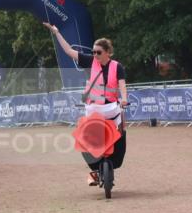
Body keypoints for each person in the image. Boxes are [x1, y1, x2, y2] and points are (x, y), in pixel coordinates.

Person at [45, 23, 129, 186]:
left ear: (108, 52)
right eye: (93, 52)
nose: (95, 55)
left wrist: (124, 97)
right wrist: (56, 33)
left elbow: (122, 85)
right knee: (97, 133)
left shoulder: (116, 66)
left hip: (107, 108)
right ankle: (98, 168)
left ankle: (104, 165)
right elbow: (69, 51)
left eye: (98, 52)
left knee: (109, 129)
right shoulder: (94, 62)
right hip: (96, 109)